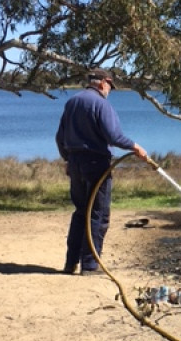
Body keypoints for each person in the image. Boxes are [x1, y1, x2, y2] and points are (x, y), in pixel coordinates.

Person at [56, 68, 148, 275]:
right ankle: (90, 265)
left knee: (81, 212)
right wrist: (135, 146)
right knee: (98, 215)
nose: (110, 90)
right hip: (97, 164)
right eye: (110, 86)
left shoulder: (72, 103)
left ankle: (71, 264)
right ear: (103, 83)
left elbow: (59, 137)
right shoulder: (101, 104)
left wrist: (68, 159)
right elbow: (114, 136)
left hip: (76, 163)